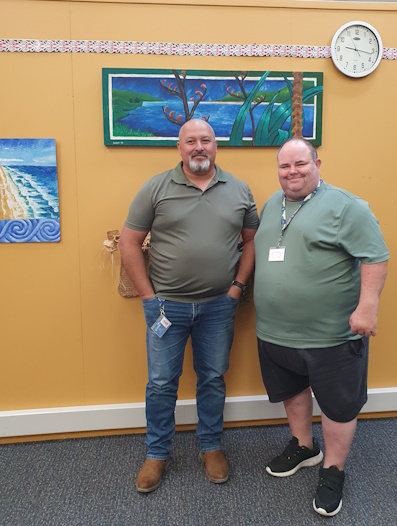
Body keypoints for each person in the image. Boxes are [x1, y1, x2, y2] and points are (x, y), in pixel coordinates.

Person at [118, 119, 259, 493]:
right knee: (162, 384)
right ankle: (157, 453)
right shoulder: (156, 187)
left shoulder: (239, 190)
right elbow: (129, 242)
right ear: (179, 148)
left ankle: (211, 447)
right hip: (166, 307)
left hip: (218, 307)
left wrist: (236, 289)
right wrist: (148, 297)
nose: (199, 147)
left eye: (206, 140)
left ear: (216, 146)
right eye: (191, 141)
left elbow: (251, 241)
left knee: (212, 379)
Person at [253, 138, 389, 517]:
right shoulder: (271, 204)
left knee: (337, 405)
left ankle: (333, 469)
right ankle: (304, 446)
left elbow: (375, 257)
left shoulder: (347, 207)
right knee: (292, 390)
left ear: (317, 163)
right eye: (284, 166)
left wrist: (368, 306)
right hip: (275, 332)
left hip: (330, 334)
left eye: (301, 164)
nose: (292, 172)